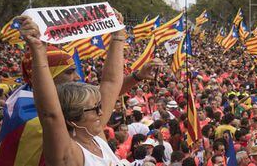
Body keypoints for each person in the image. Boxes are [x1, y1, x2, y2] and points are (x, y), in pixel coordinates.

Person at [17, 15, 162, 166]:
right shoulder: (70, 153)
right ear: (72, 120)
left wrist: (118, 35)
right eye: (95, 108)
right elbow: (50, 115)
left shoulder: (94, 136)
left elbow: (110, 83)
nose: (102, 112)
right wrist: (38, 51)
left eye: (99, 106)